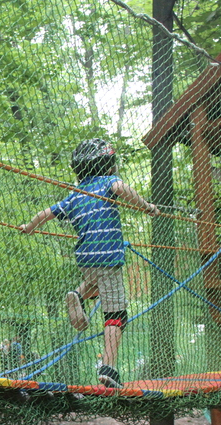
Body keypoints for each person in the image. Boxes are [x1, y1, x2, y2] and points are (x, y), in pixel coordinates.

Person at [20, 138, 159, 388]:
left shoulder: (75, 195)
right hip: (108, 255)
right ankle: (108, 367)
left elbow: (46, 214)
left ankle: (77, 293)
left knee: (95, 284)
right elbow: (123, 190)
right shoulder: (108, 182)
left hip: (86, 257)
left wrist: (29, 227)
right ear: (107, 165)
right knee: (116, 315)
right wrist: (147, 207)